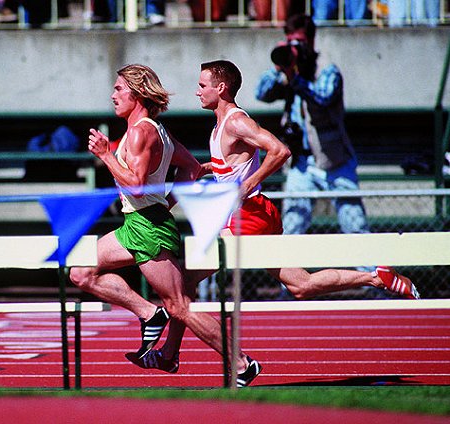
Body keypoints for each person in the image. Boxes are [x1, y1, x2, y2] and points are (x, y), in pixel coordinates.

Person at [125, 60, 420, 376]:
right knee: (301, 285)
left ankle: (185, 356)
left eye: (202, 85)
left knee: (181, 285)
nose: (197, 91)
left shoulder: (236, 122)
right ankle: (376, 276)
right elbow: (238, 166)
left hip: (247, 215)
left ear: (221, 88)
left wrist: (248, 184)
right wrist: (216, 171)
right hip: (252, 214)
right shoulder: (219, 125)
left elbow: (279, 150)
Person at [68, 64, 263, 387]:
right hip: (140, 222)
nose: (113, 96)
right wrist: (165, 203)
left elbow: (137, 184)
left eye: (119, 89)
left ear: (137, 92)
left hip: (148, 227)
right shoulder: (158, 130)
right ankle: (148, 313)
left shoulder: (142, 131)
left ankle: (241, 363)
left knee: (180, 306)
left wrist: (106, 155)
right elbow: (191, 168)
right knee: (81, 271)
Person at [255, 13, 379, 292]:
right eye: (290, 42)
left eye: (298, 42)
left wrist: (296, 77)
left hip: (334, 160)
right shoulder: (287, 71)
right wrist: (279, 66)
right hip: (301, 163)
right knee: (291, 225)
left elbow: (322, 98)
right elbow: (260, 93)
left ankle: (375, 286)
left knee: (354, 223)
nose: (294, 48)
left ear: (311, 40)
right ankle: (291, 290)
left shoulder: (327, 70)